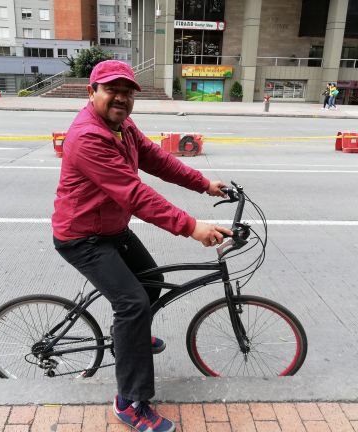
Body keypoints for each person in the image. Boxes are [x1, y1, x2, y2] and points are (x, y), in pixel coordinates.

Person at [52, 60, 232, 432]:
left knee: (149, 283)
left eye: (127, 91)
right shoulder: (88, 136)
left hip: (111, 227)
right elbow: (134, 194)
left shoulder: (123, 125)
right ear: (92, 92)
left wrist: (203, 183)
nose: (120, 97)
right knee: (133, 303)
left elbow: (156, 158)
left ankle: (130, 338)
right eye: (111, 89)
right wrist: (191, 226)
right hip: (82, 237)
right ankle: (129, 402)